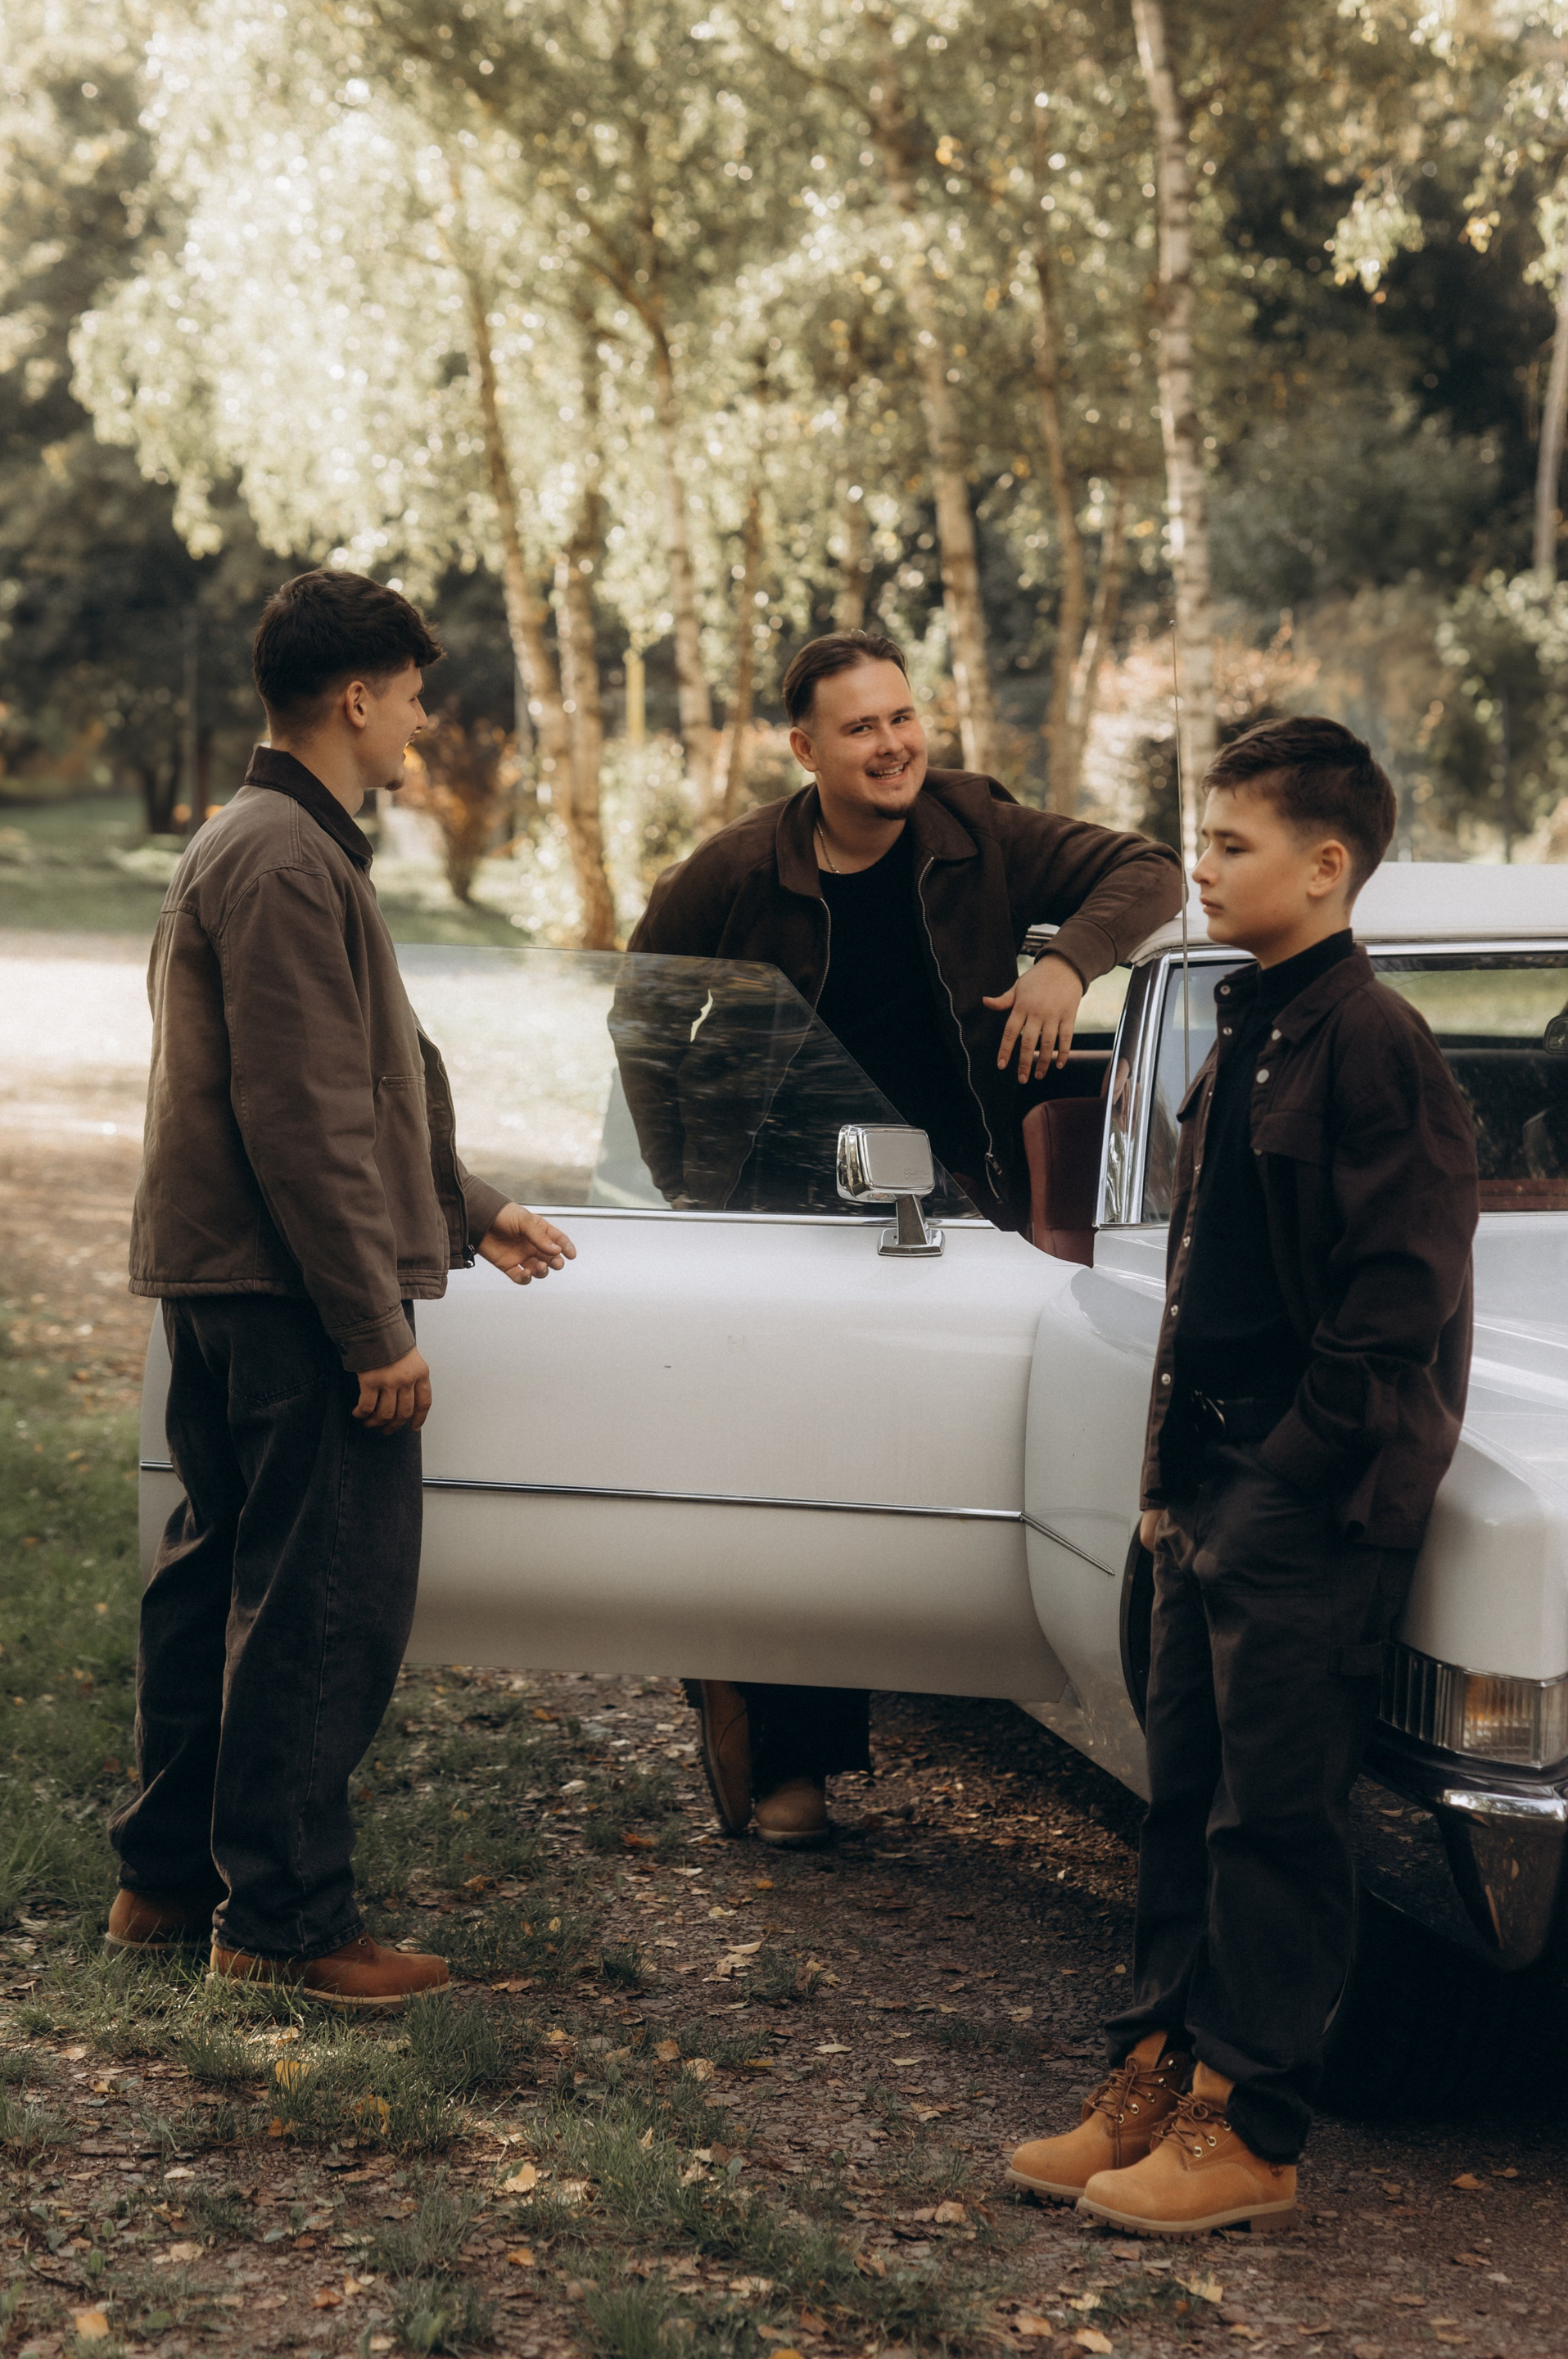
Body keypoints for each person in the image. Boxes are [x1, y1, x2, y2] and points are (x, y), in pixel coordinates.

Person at [1007, 716, 1478, 2233]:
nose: (1199, 868)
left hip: (1301, 1506)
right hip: (1204, 1483)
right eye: (1201, 839)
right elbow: (1207, 1279)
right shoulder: (1252, 1021)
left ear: (1326, 864)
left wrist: (1284, 1473)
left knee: (1277, 1823)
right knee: (1186, 1799)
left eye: (1230, 843)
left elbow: (1398, 1302)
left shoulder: (1377, 1044)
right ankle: (1154, 2071)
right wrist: (1175, 1479)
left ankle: (1248, 2128)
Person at [623, 628, 1185, 1850]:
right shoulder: (734, 871)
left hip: (949, 1208)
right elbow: (643, 1016)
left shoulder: (977, 831)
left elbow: (1151, 870)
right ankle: (790, 1757)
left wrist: (1067, 965)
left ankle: (909, 1676)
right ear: (805, 748)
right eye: (861, 728)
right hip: (780, 1209)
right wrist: (686, 1188)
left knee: (915, 1456)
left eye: (902, 717)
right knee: (797, 1471)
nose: (892, 745)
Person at [108, 569, 575, 2009]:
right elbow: (303, 1120)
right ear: (357, 697)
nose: (424, 722)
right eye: (415, 697)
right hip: (293, 1294)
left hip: (240, 1278)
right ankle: (286, 1921)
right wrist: (376, 1327)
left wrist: (469, 1209)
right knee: (319, 1604)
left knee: (216, 1585)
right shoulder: (283, 858)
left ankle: (166, 1883)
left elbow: (354, 1090)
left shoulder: (267, 841)